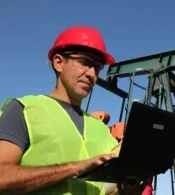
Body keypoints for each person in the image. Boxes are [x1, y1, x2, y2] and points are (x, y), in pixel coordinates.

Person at [0, 26, 142, 195]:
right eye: (85, 63)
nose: (92, 74)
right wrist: (75, 167)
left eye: (97, 68)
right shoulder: (24, 110)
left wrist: (128, 189)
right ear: (58, 63)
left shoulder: (101, 130)